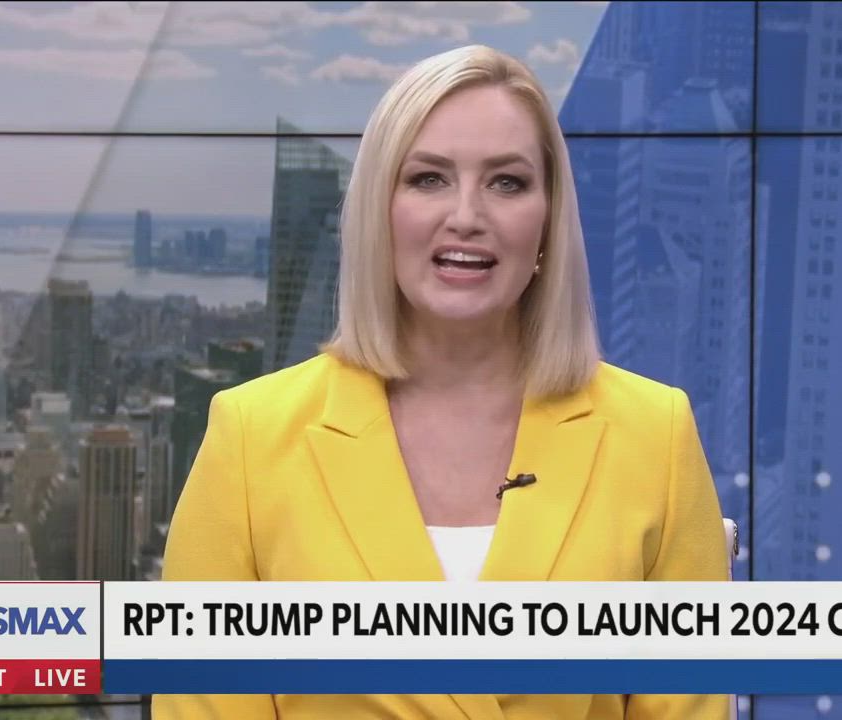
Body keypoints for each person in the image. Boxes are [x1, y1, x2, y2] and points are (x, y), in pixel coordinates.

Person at [155, 44, 728, 719]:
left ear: (548, 218)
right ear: (380, 209)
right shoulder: (251, 439)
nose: (466, 216)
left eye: (507, 182)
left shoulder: (654, 436)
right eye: (428, 178)